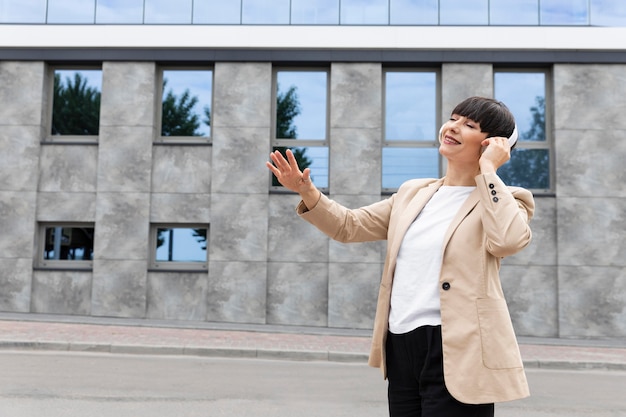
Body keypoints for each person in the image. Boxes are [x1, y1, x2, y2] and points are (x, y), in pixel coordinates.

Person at [266, 96, 534, 417]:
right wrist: (306, 190)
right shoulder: (414, 193)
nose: (453, 127)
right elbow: (349, 226)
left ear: (491, 143)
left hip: (458, 345)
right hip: (401, 341)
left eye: (470, 125)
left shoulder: (507, 199)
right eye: (454, 118)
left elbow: (508, 240)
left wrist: (489, 169)